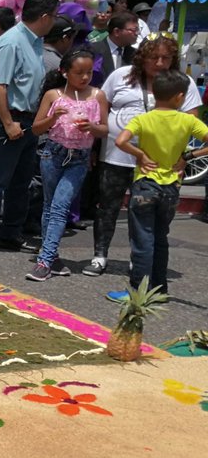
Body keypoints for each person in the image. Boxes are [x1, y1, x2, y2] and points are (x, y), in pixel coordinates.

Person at [84, 33, 201, 276]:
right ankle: (100, 255)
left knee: (145, 215)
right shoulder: (121, 75)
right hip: (117, 155)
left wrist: (184, 155)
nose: (159, 63)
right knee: (108, 207)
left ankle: (139, 260)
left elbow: (192, 118)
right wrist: (98, 140)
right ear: (142, 57)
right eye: (153, 57)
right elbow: (101, 102)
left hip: (158, 165)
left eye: (165, 58)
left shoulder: (182, 82)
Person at [0, 0, 58, 256]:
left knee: (22, 181)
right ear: (43, 17)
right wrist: (8, 122)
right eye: (53, 16)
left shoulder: (35, 41)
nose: (54, 21)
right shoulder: (11, 42)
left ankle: (10, 232)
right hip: (11, 118)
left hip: (31, 120)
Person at [111, 70, 208, 298]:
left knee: (142, 239)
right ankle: (159, 288)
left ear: (154, 93)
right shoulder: (187, 120)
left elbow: (120, 141)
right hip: (172, 186)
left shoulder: (143, 119)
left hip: (145, 183)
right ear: (179, 97)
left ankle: (138, 291)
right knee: (160, 237)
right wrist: (189, 156)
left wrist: (141, 155)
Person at [27, 49, 106, 281]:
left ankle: (44, 261)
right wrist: (53, 117)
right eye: (79, 72)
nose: (84, 77)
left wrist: (91, 127)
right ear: (65, 72)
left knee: (61, 206)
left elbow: (105, 129)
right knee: (50, 206)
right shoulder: (53, 95)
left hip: (79, 158)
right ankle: (53, 256)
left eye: (89, 72)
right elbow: (36, 128)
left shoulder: (97, 95)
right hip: (53, 153)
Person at [88, 13, 138, 86]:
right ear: (116, 32)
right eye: (133, 30)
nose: (136, 33)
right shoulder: (93, 50)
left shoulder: (135, 54)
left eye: (137, 30)